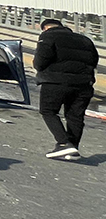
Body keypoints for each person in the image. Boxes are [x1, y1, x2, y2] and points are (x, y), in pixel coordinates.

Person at [33, 18, 99, 160]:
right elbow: (94, 61)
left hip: (55, 82)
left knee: (48, 111)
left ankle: (64, 144)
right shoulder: (85, 40)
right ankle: (73, 148)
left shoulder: (48, 36)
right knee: (75, 116)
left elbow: (40, 62)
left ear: (45, 28)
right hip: (83, 84)